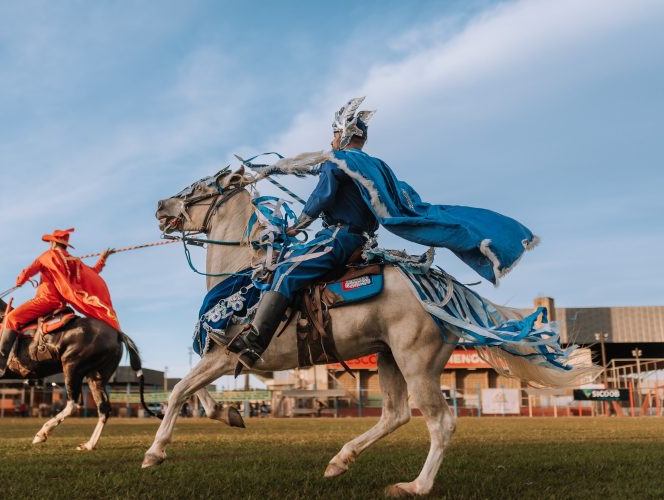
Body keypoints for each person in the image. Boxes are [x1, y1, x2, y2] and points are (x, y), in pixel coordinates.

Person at [212, 96, 537, 371]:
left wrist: (300, 223)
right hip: (361, 239)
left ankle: (255, 341)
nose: (329, 142)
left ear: (341, 134)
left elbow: (321, 196)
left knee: (286, 270)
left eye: (332, 136)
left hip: (338, 239)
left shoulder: (337, 160)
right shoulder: (375, 166)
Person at [0, 228, 119, 374]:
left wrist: (20, 281)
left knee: (11, 317)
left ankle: (0, 357)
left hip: (45, 301)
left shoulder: (46, 256)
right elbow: (92, 272)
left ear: (53, 244)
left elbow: (28, 272)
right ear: (65, 245)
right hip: (61, 304)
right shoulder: (73, 261)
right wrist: (103, 259)